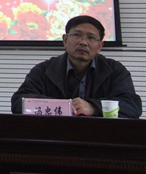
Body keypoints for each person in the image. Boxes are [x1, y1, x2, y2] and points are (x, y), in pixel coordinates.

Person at [11, 15, 142, 118]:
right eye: (77, 35)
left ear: (99, 46)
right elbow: (19, 102)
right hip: (54, 136)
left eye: (91, 38)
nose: (83, 42)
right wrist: (63, 107)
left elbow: (132, 105)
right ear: (65, 40)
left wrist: (94, 107)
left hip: (100, 137)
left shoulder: (115, 71)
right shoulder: (44, 70)